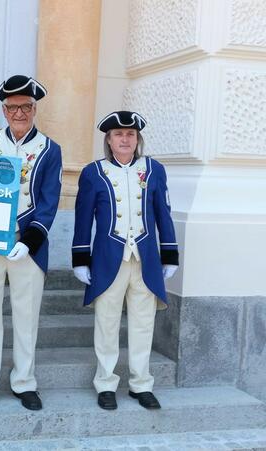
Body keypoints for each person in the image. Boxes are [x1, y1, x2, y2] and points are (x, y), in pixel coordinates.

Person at [0, 75, 63, 411]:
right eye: (12, 108)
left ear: (34, 109)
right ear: (4, 112)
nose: (18, 113)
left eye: (25, 107)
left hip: (27, 248)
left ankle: (24, 382)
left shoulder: (50, 150)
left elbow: (49, 201)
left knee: (26, 316)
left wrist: (31, 240)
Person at [71, 110, 179, 411]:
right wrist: (81, 257)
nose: (125, 138)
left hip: (144, 258)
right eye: (118, 134)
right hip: (108, 258)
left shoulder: (154, 170)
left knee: (143, 324)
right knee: (106, 324)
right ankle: (105, 384)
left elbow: (163, 213)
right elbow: (83, 219)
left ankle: (140, 384)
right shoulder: (93, 172)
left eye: (130, 134)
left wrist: (169, 253)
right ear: (109, 139)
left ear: (137, 139)